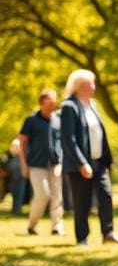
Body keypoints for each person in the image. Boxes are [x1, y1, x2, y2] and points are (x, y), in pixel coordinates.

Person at [60, 69, 118, 246]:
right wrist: (82, 163)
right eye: (91, 84)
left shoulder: (93, 105)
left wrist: (106, 160)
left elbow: (100, 133)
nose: (94, 87)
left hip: (99, 162)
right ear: (80, 86)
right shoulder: (69, 106)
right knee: (81, 201)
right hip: (80, 164)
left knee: (106, 195)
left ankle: (108, 233)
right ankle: (82, 238)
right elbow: (69, 139)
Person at [19, 89, 64, 235]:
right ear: (41, 103)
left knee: (57, 196)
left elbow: (63, 142)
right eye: (49, 102)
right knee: (43, 195)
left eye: (53, 102)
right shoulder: (31, 120)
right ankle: (32, 224)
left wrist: (62, 160)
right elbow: (22, 143)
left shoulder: (58, 120)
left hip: (55, 164)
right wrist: (23, 164)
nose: (52, 105)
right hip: (36, 165)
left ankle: (57, 225)